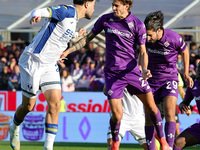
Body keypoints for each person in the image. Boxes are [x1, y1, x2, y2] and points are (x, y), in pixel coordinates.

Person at [60, 1, 169, 150]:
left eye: (117, 5)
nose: (114, 8)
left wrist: (144, 69)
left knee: (152, 107)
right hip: (112, 74)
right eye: (113, 4)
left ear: (127, 5)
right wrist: (69, 50)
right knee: (117, 116)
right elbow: (88, 38)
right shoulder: (105, 19)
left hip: (132, 72)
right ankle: (116, 142)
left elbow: (143, 51)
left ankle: (162, 141)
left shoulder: (137, 24)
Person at [9, 0, 96, 150]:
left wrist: (76, 34)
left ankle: (48, 148)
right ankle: (14, 126)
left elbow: (59, 33)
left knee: (55, 104)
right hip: (33, 61)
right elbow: (40, 11)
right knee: (29, 106)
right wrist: (35, 15)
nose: (95, 8)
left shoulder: (73, 19)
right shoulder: (67, 11)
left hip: (49, 64)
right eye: (94, 3)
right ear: (87, 3)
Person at [144, 10, 193, 150]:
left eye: (150, 35)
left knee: (170, 111)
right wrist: (143, 69)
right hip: (152, 80)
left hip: (169, 79)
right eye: (146, 34)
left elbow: (185, 51)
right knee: (149, 116)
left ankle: (169, 147)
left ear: (159, 30)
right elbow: (143, 52)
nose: (147, 38)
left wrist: (186, 73)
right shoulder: (144, 38)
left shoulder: (173, 37)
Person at [174, 62, 200, 150]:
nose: (199, 71)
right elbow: (185, 102)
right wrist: (183, 105)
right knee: (178, 142)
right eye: (198, 69)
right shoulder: (193, 85)